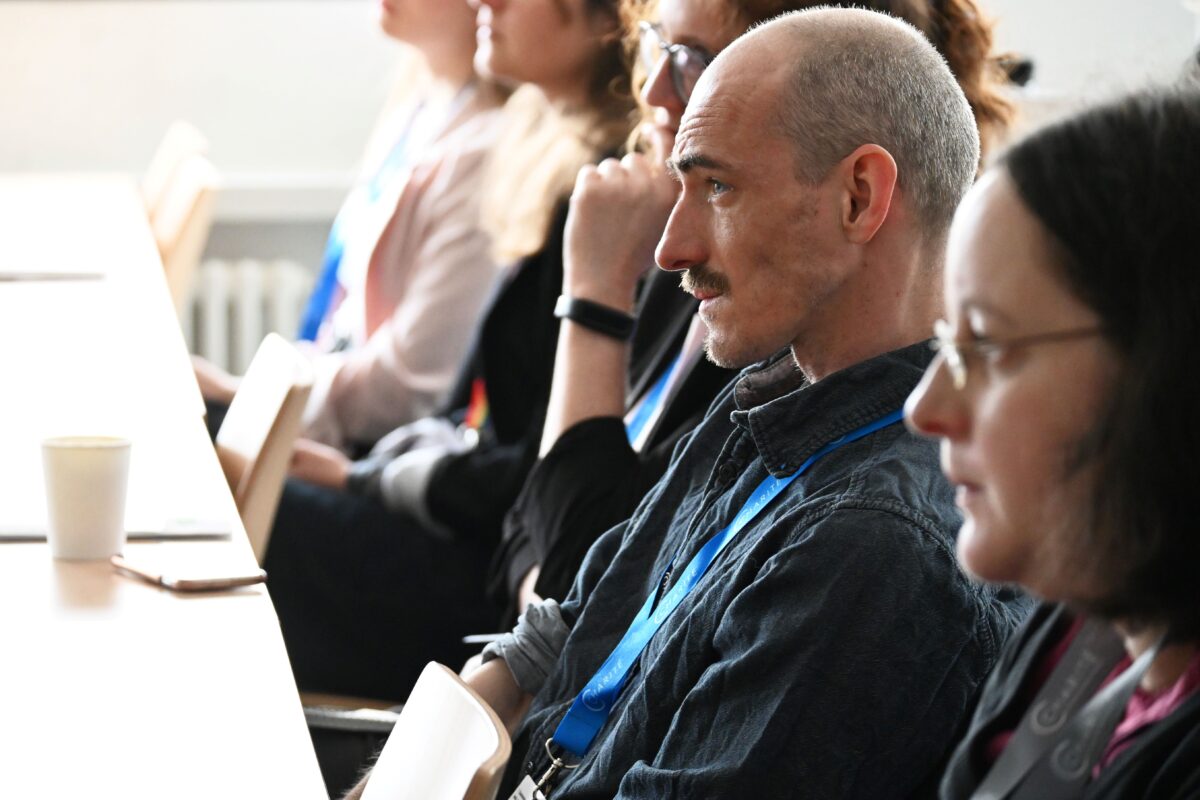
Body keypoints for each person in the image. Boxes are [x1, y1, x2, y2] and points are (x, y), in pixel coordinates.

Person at [351, 8, 1029, 798]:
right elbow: (580, 611)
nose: (671, 248)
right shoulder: (769, 401)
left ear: (859, 197)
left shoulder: (871, 547)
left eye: (718, 188)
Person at [491, 0, 1016, 620]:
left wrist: (593, 300)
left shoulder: (786, 324)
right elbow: (533, 518)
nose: (655, 89)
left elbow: (576, 575)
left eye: (690, 59)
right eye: (657, 46)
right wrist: (536, 642)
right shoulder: (689, 266)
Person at [264, 0, 636, 703]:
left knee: (258, 519)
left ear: (605, 21)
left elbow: (535, 462)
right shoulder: (540, 147)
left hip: (488, 565)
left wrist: (364, 481)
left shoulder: (607, 192)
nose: (484, 1)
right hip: (470, 513)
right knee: (247, 493)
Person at [905, 89, 1200, 798]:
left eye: (986, 345)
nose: (924, 409)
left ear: (1168, 367)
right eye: (946, 344)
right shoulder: (1081, 614)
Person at [195, 0, 506, 452]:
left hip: (367, 451)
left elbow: (407, 384)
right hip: (327, 408)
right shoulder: (418, 104)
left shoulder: (484, 154)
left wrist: (245, 394)